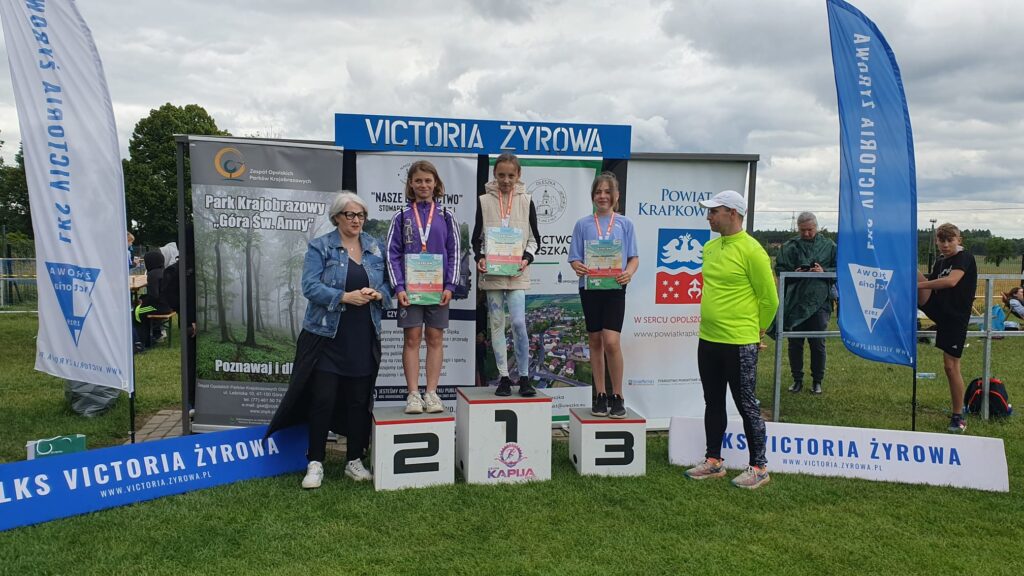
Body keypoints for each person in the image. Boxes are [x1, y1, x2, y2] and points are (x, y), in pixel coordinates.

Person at [266, 191, 391, 489]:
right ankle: (315, 462)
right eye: (350, 215)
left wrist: (379, 294)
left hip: (363, 336)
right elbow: (309, 286)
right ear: (336, 217)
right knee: (322, 400)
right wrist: (343, 297)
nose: (357, 220)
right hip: (326, 337)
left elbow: (389, 284)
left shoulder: (375, 246)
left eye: (361, 215)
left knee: (359, 401)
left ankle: (354, 460)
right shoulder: (320, 246)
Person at [684, 190, 778, 489]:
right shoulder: (710, 247)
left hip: (739, 342)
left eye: (714, 211)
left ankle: (759, 467)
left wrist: (757, 331)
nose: (708, 217)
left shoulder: (752, 250)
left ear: (733, 214)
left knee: (746, 404)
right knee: (712, 401)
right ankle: (713, 461)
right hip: (708, 338)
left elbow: (770, 299)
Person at [386, 160, 461, 414]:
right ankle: (413, 395)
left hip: (438, 290)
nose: (423, 185)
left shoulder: (446, 215)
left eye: (428, 180)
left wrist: (450, 285)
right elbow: (392, 254)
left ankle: (431, 392)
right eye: (418, 180)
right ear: (410, 184)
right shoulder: (401, 216)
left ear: (436, 183)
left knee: (435, 338)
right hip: (410, 290)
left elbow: (455, 252)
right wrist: (399, 287)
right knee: (412, 338)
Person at [567, 171, 639, 418]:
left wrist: (629, 272)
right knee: (595, 341)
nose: (603, 196)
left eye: (608, 191)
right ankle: (599, 394)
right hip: (590, 288)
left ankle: (617, 395)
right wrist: (577, 266)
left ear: (616, 196)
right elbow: (574, 258)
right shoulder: (583, 224)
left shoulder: (625, 224)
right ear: (592, 196)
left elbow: (634, 258)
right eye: (598, 192)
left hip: (615, 288)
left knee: (611, 341)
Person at [471, 153, 542, 397]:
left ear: (518, 175)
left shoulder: (527, 200)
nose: (506, 180)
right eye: (501, 175)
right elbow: (477, 238)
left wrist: (526, 258)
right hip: (493, 273)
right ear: (494, 174)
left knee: (519, 323)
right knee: (497, 323)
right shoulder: (484, 201)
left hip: (516, 272)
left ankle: (524, 376)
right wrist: (480, 258)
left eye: (511, 175)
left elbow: (535, 239)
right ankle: (503, 377)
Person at [917, 223, 977, 434]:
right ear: (936, 241)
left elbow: (951, 281)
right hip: (938, 308)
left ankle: (958, 415)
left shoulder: (965, 257)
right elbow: (933, 282)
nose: (945, 245)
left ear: (959, 240)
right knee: (909, 268)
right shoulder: (941, 261)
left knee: (950, 367)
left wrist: (917, 286)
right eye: (941, 240)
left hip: (955, 318)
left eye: (949, 240)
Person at [775, 212, 837, 395]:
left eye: (810, 230)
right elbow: (779, 268)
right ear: (798, 228)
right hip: (795, 301)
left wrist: (824, 271)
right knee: (795, 343)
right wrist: (794, 272)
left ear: (816, 227)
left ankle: (817, 381)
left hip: (820, 302)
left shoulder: (829, 246)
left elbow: (840, 268)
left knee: (817, 343)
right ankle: (797, 380)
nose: (807, 233)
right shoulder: (789, 247)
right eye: (803, 230)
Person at [133, 249, 171, 350]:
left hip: (159, 307)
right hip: (168, 305)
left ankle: (141, 341)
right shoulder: (164, 271)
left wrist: (143, 301)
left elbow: (153, 296)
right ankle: (156, 334)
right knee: (143, 307)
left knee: (136, 311)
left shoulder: (152, 275)